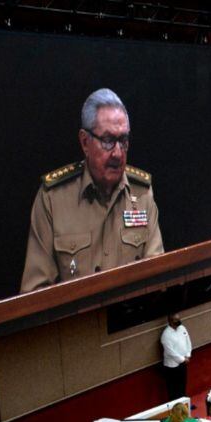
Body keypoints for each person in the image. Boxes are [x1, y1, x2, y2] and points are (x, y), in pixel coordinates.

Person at [22, 88, 164, 293]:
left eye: (123, 141)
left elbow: (158, 279)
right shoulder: (53, 199)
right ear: (85, 142)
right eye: (107, 141)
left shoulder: (142, 194)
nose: (117, 152)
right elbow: (35, 295)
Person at [161, 313, 191, 401]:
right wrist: (182, 359)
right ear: (170, 321)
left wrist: (188, 354)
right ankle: (175, 408)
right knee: (174, 389)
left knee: (183, 385)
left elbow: (188, 341)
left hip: (184, 362)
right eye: (176, 320)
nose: (179, 321)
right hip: (172, 366)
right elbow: (170, 351)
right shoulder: (166, 335)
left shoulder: (182, 328)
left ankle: (184, 405)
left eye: (179, 319)